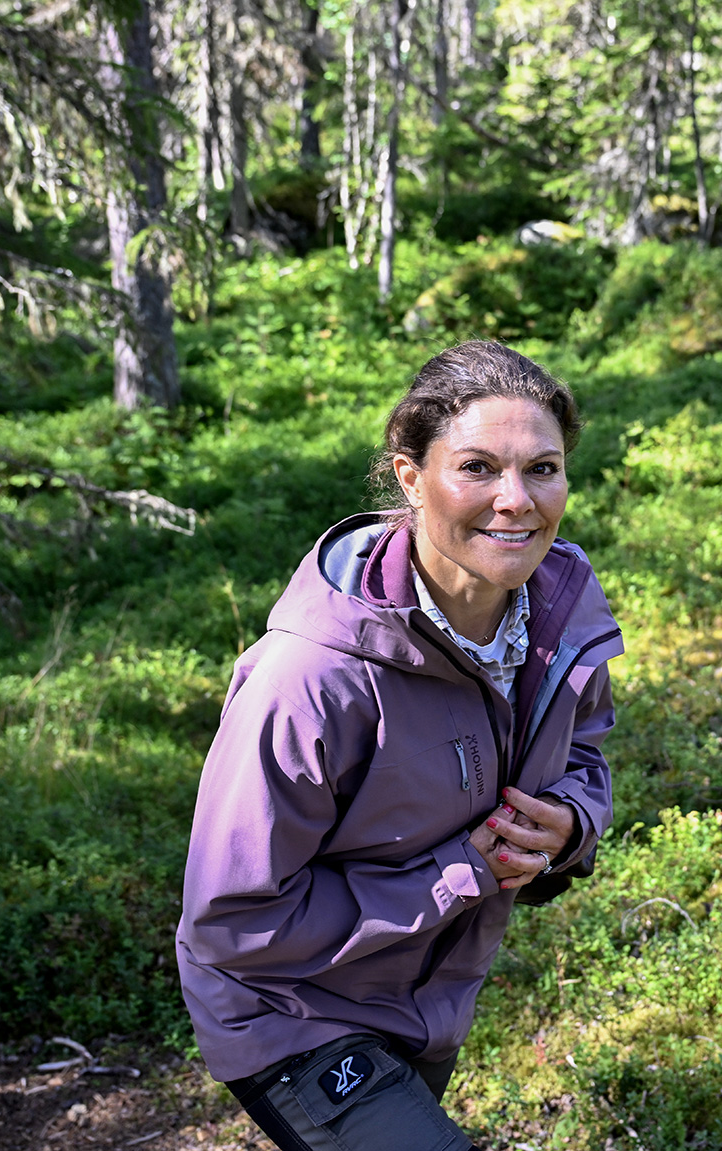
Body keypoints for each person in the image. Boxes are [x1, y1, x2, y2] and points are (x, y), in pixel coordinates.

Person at [176, 340, 623, 1151]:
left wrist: (567, 821)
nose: (517, 500)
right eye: (479, 467)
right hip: (293, 1012)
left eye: (544, 468)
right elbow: (231, 922)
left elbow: (585, 749)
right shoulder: (310, 675)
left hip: (427, 998)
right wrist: (461, 875)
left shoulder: (558, 608)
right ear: (411, 477)